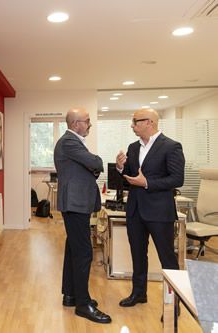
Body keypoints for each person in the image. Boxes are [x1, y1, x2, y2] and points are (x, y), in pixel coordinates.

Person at [116, 108, 184, 307]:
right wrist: (120, 168)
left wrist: (147, 183)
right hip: (136, 210)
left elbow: (177, 179)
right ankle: (139, 294)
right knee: (138, 255)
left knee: (168, 260)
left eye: (135, 122)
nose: (132, 125)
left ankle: (173, 304)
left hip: (160, 212)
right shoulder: (133, 147)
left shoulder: (171, 146)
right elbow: (130, 176)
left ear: (149, 122)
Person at [54, 108, 111, 324]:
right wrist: (94, 163)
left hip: (77, 203)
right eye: (87, 121)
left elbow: (91, 168)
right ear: (76, 123)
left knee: (73, 248)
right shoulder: (69, 141)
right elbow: (96, 163)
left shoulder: (73, 142)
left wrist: (92, 166)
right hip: (75, 203)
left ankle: (71, 295)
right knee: (84, 252)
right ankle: (83, 304)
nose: (89, 124)